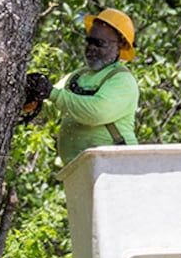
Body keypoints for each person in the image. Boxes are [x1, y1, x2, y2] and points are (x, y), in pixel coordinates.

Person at [23, 9, 139, 166]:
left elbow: (96, 112)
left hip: (118, 167)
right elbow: (51, 107)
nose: (91, 47)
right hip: (82, 170)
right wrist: (32, 100)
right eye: (89, 41)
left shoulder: (122, 79)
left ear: (121, 45)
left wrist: (51, 93)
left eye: (99, 43)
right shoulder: (78, 76)